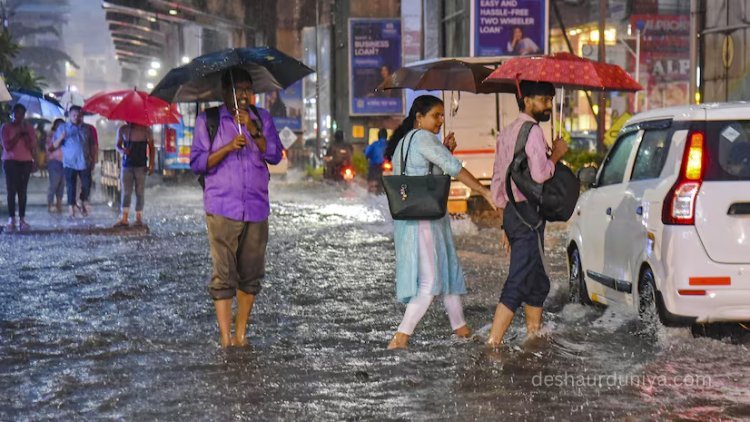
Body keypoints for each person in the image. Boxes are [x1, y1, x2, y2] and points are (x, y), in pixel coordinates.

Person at [386, 95, 496, 350]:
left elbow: (431, 174)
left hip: (420, 218)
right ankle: (400, 339)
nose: (440, 121)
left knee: (448, 277)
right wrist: (484, 191)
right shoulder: (423, 138)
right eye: (435, 115)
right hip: (423, 220)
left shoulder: (404, 141)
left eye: (442, 115)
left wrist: (445, 150)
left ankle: (462, 330)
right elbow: (453, 168)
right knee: (429, 283)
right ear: (419, 117)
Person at [190, 67, 283, 347]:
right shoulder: (209, 120)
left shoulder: (261, 118)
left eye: (247, 89)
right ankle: (225, 337)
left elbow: (276, 155)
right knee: (224, 273)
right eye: (237, 89)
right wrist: (229, 147)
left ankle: (241, 334)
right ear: (224, 92)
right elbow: (197, 163)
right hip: (222, 207)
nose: (243, 95)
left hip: (256, 206)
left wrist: (255, 131)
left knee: (251, 273)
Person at [486, 81, 568, 347]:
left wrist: (505, 225)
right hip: (529, 215)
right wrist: (556, 155)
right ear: (527, 99)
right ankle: (493, 343)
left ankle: (533, 335)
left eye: (549, 101)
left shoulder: (507, 132)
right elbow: (540, 174)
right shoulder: (532, 132)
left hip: (513, 213)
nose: (548, 106)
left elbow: (498, 179)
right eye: (544, 100)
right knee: (519, 278)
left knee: (538, 279)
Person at [52, 105, 96, 217]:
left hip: (84, 161)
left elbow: (92, 145)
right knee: (71, 186)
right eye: (74, 115)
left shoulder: (87, 128)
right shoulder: (63, 128)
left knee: (87, 185)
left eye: (79, 115)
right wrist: (61, 137)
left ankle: (81, 200)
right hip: (69, 162)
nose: (76, 117)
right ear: (69, 116)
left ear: (82, 116)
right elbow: (54, 145)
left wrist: (93, 158)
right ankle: (71, 208)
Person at [1, 104, 37, 231]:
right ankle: (12, 218)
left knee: (22, 191)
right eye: (16, 113)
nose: (18, 116)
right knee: (11, 190)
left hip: (25, 161)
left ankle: (22, 218)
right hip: (10, 161)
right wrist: (18, 135)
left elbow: (32, 145)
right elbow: (7, 146)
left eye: (21, 114)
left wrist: (25, 134)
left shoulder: (29, 128)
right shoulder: (6, 127)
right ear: (12, 114)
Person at [113, 122, 155, 227]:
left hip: (141, 165)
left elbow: (151, 147)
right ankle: (124, 218)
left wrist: (151, 164)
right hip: (127, 165)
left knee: (139, 191)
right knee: (126, 191)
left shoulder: (146, 130)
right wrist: (122, 150)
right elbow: (117, 145)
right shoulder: (123, 129)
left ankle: (138, 218)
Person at [45, 118, 66, 213]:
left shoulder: (65, 136)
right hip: (54, 161)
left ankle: (59, 204)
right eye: (59, 125)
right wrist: (60, 139)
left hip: (64, 162)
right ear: (55, 126)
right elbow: (50, 148)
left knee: (61, 185)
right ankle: (50, 204)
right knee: (54, 184)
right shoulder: (51, 136)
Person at [365, 128, 388, 193]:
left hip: (376, 167)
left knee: (371, 181)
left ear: (378, 136)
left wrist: (366, 157)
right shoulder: (390, 144)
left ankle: (372, 187)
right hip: (389, 168)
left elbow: (367, 153)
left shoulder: (374, 144)